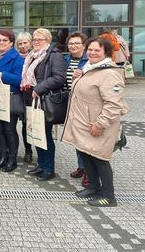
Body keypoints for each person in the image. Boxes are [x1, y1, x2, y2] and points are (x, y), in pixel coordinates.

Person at [62, 37, 129, 207]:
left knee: (100, 158)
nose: (92, 53)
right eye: (90, 50)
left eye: (97, 50)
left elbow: (114, 104)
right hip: (85, 123)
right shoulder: (88, 68)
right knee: (86, 154)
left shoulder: (110, 73)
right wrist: (77, 77)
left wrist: (100, 124)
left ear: (105, 52)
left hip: (98, 125)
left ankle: (108, 196)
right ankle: (93, 186)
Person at [21, 28, 66, 181]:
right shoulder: (32, 56)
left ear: (48, 40)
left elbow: (59, 78)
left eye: (40, 39)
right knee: (36, 134)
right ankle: (41, 164)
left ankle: (49, 169)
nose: (36, 42)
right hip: (32, 99)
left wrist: (39, 89)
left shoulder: (54, 55)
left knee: (45, 135)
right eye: (34, 39)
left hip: (44, 100)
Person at [0, 30, 25, 172]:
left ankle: (12, 158)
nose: (1, 43)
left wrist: (1, 75)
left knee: (9, 130)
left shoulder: (17, 58)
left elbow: (19, 79)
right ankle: (2, 156)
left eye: (5, 40)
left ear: (11, 42)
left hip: (9, 97)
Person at [64, 31, 90, 186]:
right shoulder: (66, 59)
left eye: (76, 43)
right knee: (76, 137)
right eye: (71, 43)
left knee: (85, 138)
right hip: (70, 101)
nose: (73, 46)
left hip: (84, 104)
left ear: (84, 45)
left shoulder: (89, 61)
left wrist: (82, 76)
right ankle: (81, 166)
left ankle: (89, 171)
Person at [15, 31, 34, 163]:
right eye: (20, 43)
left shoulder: (35, 57)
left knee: (27, 124)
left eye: (25, 43)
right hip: (17, 94)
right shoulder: (16, 57)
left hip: (30, 94)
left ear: (30, 43)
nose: (23, 46)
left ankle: (29, 150)